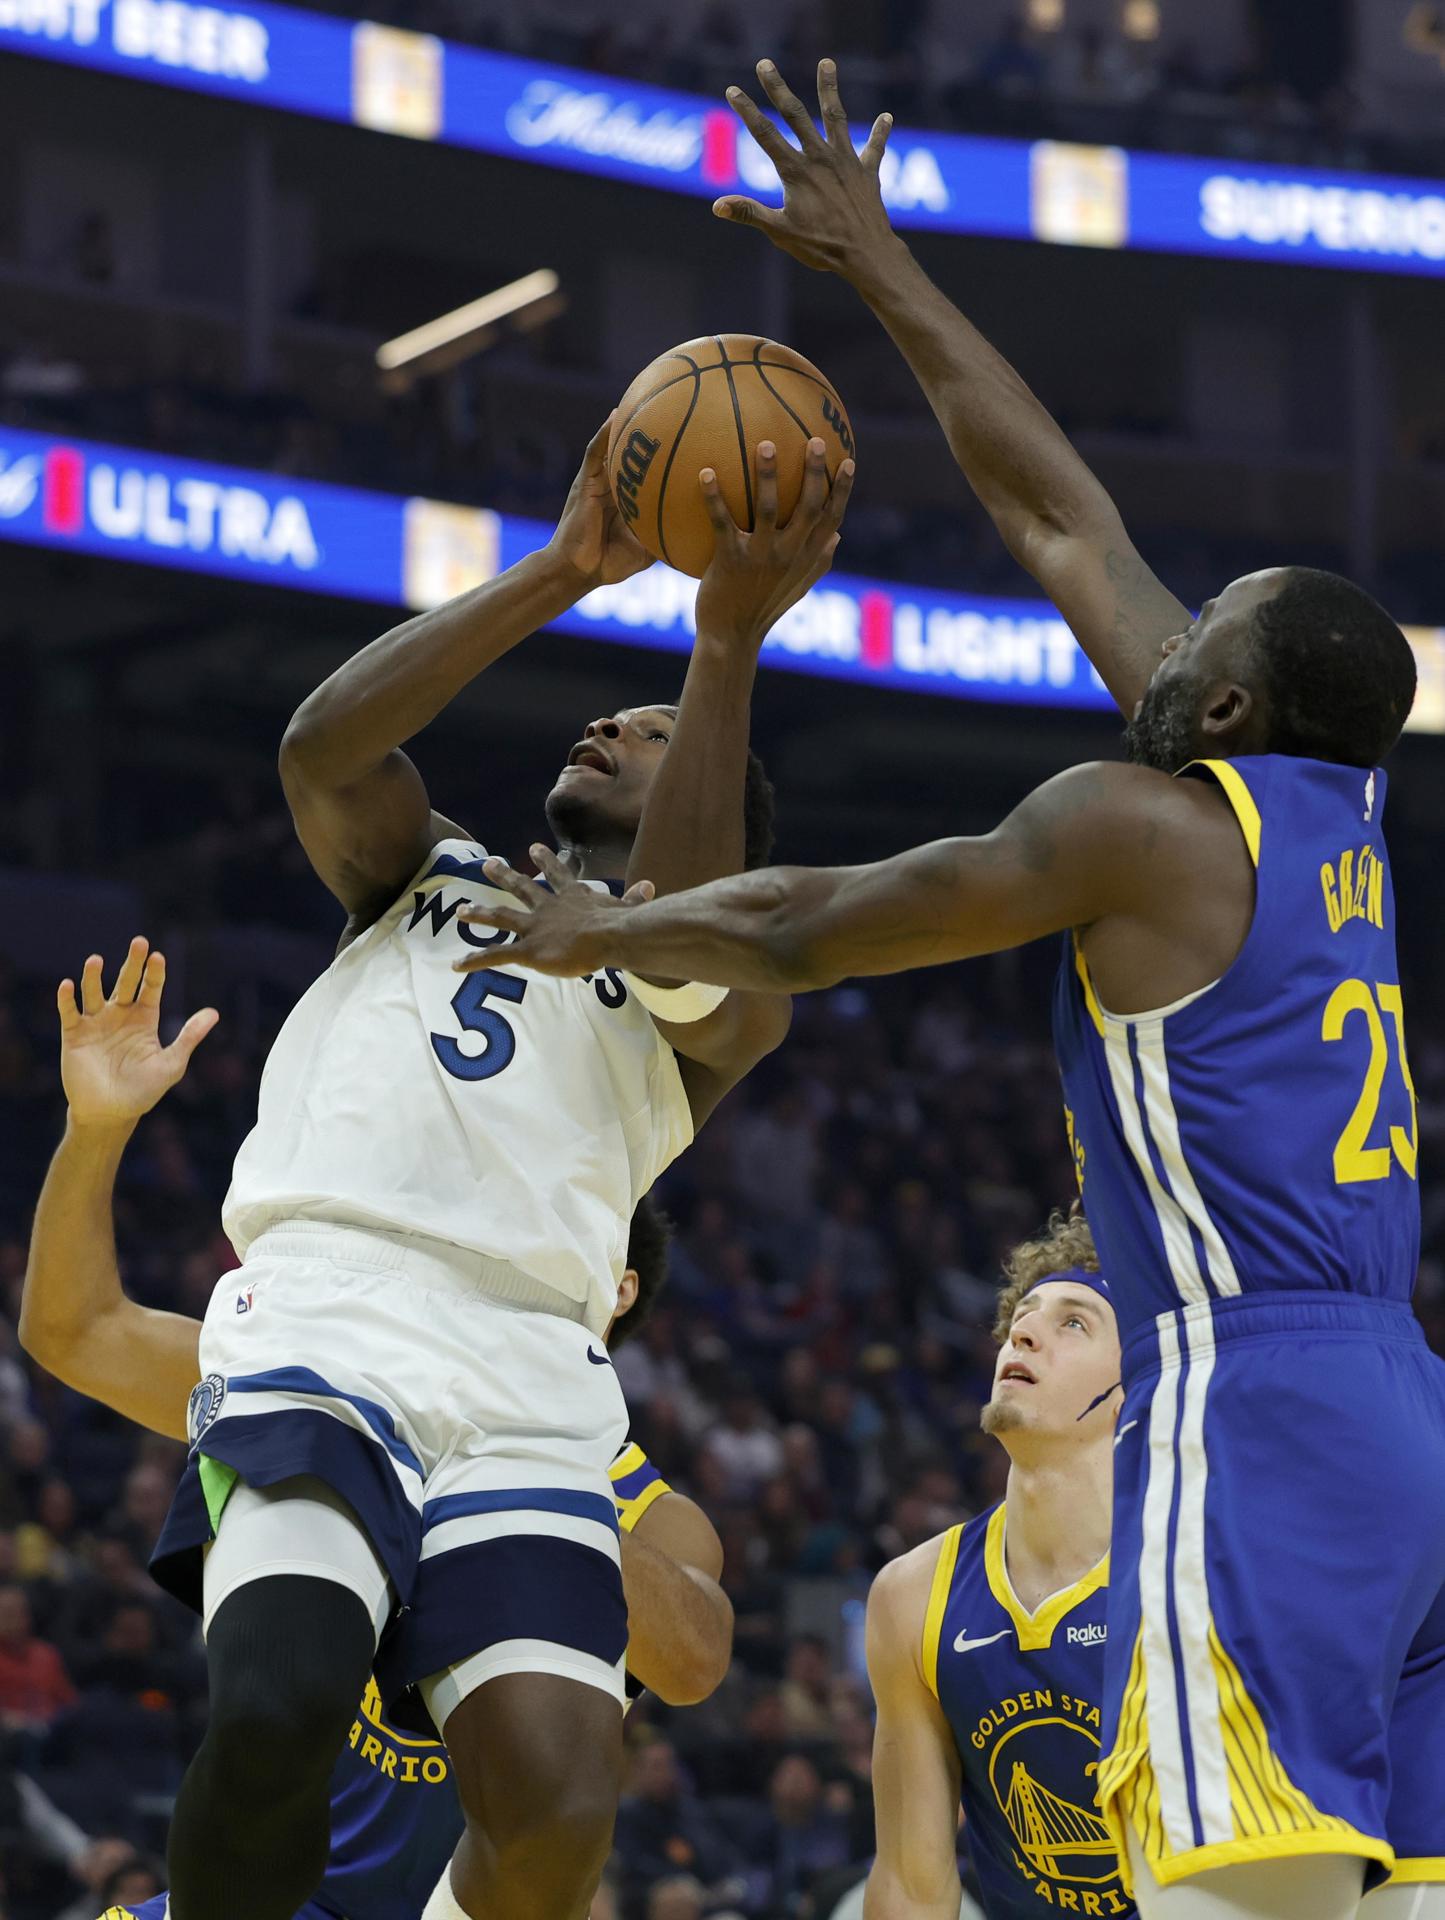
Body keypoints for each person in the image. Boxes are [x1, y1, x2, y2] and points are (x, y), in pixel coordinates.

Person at [454, 60, 1445, 1920]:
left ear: (1215, 702)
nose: (1150, 625)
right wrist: (878, 262)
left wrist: (610, 931)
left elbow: (827, 919)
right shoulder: (1319, 804)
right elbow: (1062, 521)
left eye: (1195, 626)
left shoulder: (1136, 818)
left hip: (1253, 1421)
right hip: (1411, 1422)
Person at [118, 415, 847, 1920]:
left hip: (531, 1370)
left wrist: (724, 647)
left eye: (644, 736)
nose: (603, 732)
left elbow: (711, 915)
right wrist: (567, 565)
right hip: (334, 1306)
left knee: (562, 1797)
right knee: (272, 1711)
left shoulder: (719, 999)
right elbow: (320, 746)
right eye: (609, 722)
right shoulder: (423, 869)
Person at [18, 947, 735, 1920]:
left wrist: (511, 1455)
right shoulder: (325, 1375)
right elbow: (74, 1331)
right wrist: (95, 1130)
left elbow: (692, 1660)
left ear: (613, 1281)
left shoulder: (654, 1512)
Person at [865, 1211, 1127, 1920]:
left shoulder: (1194, 1571)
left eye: (1074, 1323)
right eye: (1024, 1316)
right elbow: (911, 1887)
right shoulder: (912, 1595)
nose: (1023, 1332)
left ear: (1133, 1383)